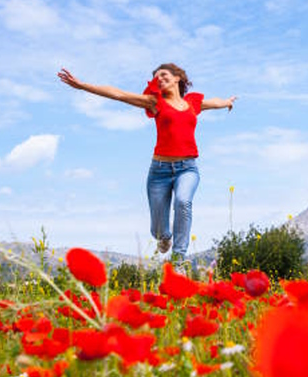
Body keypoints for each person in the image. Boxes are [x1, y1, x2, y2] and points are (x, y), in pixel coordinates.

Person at [57, 64, 236, 262]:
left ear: (177, 78)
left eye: (164, 74)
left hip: (188, 168)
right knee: (159, 230)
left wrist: (227, 102)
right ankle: (164, 237)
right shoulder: (154, 102)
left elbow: (214, 102)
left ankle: (178, 260)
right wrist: (83, 86)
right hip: (159, 173)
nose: (159, 79)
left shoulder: (192, 103)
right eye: (156, 77)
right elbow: (119, 94)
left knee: (183, 202)